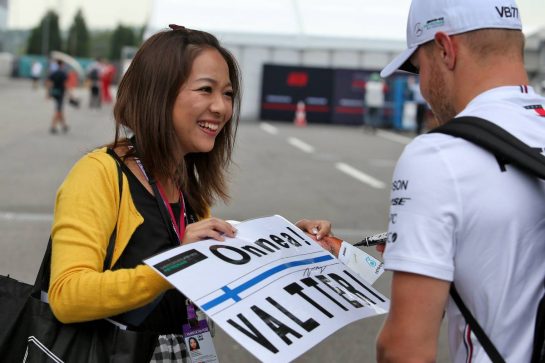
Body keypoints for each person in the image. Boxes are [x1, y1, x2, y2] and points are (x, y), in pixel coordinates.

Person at [48, 24, 331, 361]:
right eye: (206, 89)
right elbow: (67, 296)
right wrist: (174, 262)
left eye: (227, 94)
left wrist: (289, 249)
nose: (221, 108)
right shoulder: (99, 173)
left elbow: (215, 278)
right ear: (158, 93)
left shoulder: (188, 187)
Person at [373, 0, 545, 362]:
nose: (422, 86)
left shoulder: (440, 155)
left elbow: (404, 350)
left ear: (445, 49)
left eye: (418, 67)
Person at [46, 59, 69, 134]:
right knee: (58, 110)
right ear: (62, 64)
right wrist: (70, 94)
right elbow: (66, 84)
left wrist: (48, 93)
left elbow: (49, 83)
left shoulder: (54, 73)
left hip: (54, 92)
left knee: (59, 109)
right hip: (61, 93)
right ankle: (53, 126)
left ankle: (64, 125)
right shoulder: (63, 73)